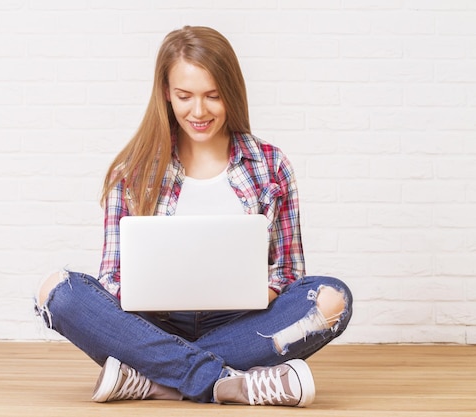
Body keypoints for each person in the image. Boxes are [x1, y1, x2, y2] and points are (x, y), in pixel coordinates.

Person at [35, 25, 352, 407]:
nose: (198, 111)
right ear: (166, 94)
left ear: (231, 95)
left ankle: (154, 378)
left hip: (241, 322)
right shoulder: (132, 172)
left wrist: (255, 289)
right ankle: (225, 383)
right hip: (155, 323)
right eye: (184, 96)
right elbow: (113, 279)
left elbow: (289, 273)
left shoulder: (270, 165)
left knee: (333, 299)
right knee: (58, 293)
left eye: (212, 96)